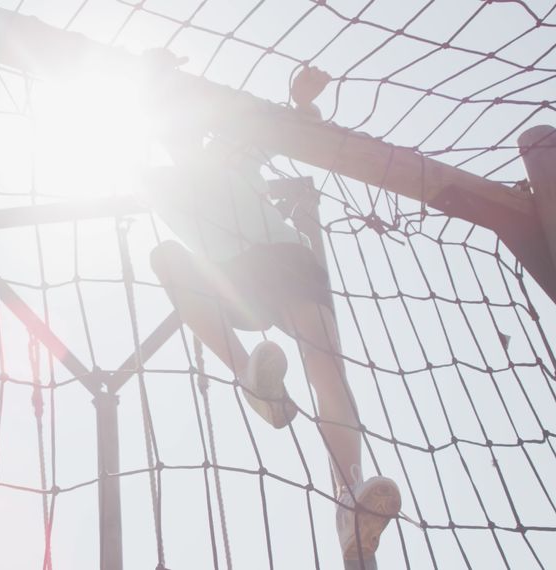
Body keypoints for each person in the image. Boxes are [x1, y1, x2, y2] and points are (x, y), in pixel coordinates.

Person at [144, 65, 401, 566]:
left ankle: (351, 497)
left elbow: (284, 127)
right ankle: (251, 379)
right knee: (165, 259)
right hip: (233, 279)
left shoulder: (229, 152)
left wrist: (300, 99)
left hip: (289, 260)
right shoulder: (155, 181)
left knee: (326, 365)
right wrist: (147, 77)